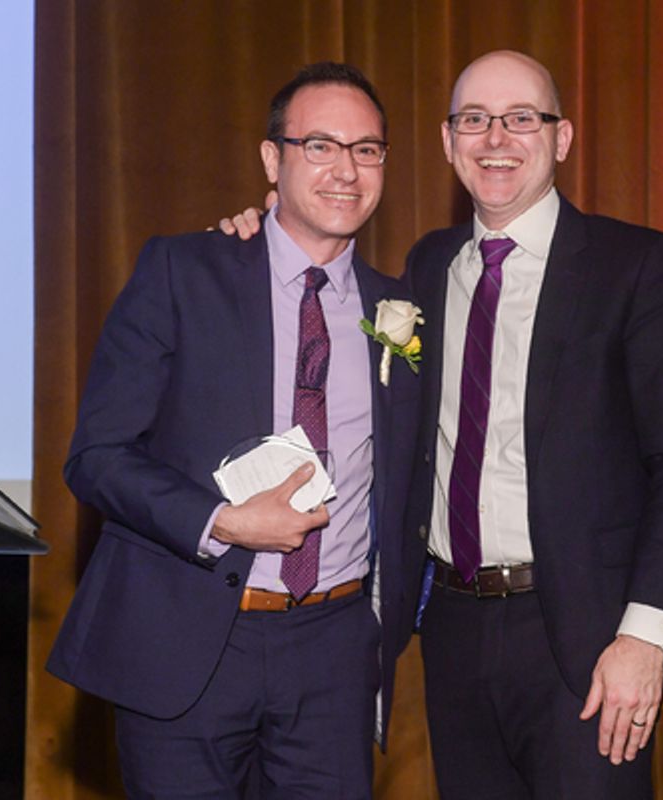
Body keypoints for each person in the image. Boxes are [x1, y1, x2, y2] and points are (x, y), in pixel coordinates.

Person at [221, 49, 663, 799]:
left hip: (587, 641)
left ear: (562, 138)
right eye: (475, 121)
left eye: (522, 118)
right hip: (452, 629)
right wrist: (249, 238)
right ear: (449, 142)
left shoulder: (635, 265)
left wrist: (644, 637)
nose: (496, 139)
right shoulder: (425, 268)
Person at [47, 62, 424, 799]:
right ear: (271, 159)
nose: (346, 169)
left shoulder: (403, 312)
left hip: (334, 650)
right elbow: (96, 456)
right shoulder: (183, 271)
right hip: (187, 642)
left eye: (367, 149)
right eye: (320, 145)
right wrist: (221, 520)